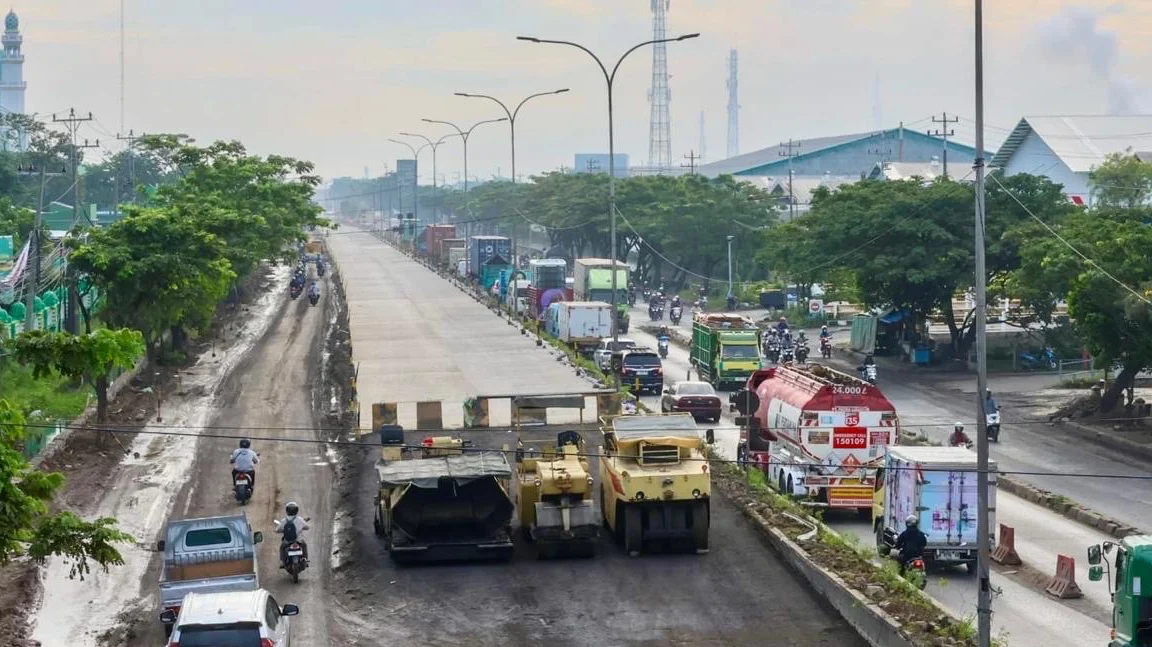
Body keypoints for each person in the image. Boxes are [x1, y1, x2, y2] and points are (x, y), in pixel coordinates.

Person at [276, 501, 310, 566]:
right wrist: (301, 527)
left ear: (287, 511)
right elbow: (307, 527)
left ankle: (282, 562)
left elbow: (277, 530)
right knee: (304, 545)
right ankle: (305, 559)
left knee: (282, 548)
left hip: (287, 541)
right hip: (299, 540)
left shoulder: (284, 520)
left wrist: (282, 530)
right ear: (297, 510)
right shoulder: (300, 519)